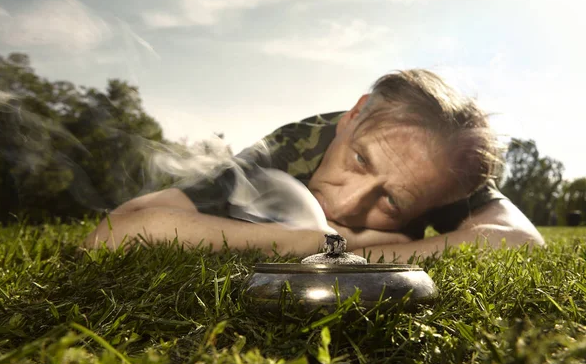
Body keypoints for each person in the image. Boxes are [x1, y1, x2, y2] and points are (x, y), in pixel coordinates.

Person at [84, 69, 544, 261]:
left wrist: (362, 257)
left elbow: (521, 243)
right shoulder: (289, 147)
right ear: (352, 115)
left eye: (391, 199)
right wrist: (322, 242)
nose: (344, 199)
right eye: (359, 158)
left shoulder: (448, 166)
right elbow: (111, 234)